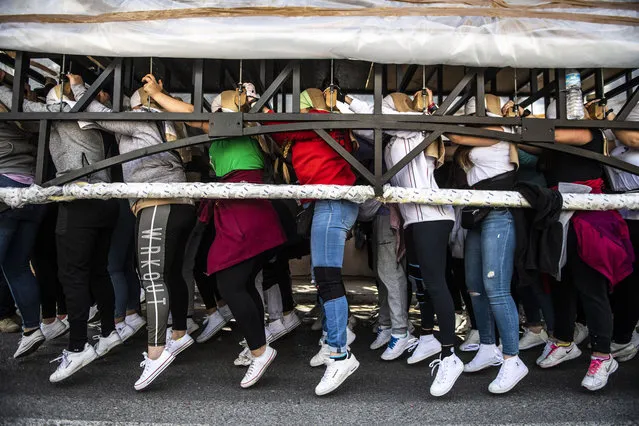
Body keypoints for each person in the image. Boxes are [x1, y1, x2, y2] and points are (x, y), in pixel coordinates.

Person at [142, 76, 286, 389]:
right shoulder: (233, 134)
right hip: (240, 208)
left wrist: (156, 93)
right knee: (241, 282)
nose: (211, 113)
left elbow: (187, 113)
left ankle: (260, 351)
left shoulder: (238, 126)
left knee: (231, 282)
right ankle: (257, 346)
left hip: (244, 210)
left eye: (217, 109)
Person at [67, 74, 197, 390]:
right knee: (172, 274)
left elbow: (96, 115)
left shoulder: (140, 118)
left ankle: (156, 353)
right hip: (182, 203)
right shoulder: (170, 124)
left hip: (156, 202)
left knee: (152, 279)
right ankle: (178, 334)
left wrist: (80, 88)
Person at [531, 100, 632, 391]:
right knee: (561, 282)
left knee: (591, 288)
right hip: (559, 216)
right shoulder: (551, 142)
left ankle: (603, 355)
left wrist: (513, 125)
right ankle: (564, 341)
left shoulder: (586, 131)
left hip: (589, 220)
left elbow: (542, 135)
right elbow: (533, 142)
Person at [265, 88, 359, 396]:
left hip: (332, 200)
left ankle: (340, 354)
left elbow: (279, 128)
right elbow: (282, 136)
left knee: (328, 280)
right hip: (325, 202)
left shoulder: (323, 119)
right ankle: (332, 341)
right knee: (322, 277)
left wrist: (259, 111)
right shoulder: (310, 129)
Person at [445, 94, 529, 394]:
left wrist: (440, 114)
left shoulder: (498, 131)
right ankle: (488, 346)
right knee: (473, 285)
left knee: (496, 287)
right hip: (477, 214)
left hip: (499, 214)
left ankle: (512, 359)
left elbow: (452, 135)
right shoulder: (477, 135)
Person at [606, 101, 639, 360]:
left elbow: (631, 137)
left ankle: (625, 337)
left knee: (631, 280)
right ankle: (624, 333)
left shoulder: (627, 135)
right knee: (623, 279)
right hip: (623, 214)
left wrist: (608, 116)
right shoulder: (619, 143)